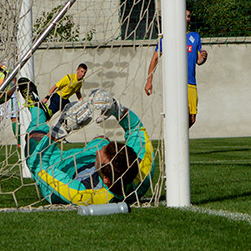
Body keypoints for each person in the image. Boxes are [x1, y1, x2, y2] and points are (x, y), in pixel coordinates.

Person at [18, 80, 154, 205]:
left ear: (106, 180)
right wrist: (116, 108)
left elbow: (37, 164)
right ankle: (101, 149)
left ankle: (37, 108)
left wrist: (59, 130)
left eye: (99, 155)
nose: (98, 152)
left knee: (34, 140)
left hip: (62, 167)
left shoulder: (84, 194)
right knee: (100, 141)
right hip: (87, 159)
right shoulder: (143, 173)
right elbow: (136, 128)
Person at [144, 10, 208, 127]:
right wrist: (149, 81)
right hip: (174, 83)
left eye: (189, 16)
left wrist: (204, 57)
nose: (188, 18)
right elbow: (155, 59)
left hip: (190, 83)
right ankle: (173, 139)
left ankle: (177, 140)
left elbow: (198, 61)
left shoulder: (195, 36)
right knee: (177, 114)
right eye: (186, 16)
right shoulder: (168, 37)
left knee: (192, 118)